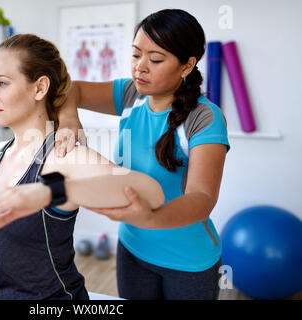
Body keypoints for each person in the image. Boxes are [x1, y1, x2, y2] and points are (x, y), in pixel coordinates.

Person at [0, 34, 164, 300]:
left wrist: (50, 191)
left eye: (2, 83)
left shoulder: (63, 156)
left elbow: (152, 193)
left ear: (39, 88)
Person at [54, 9, 230, 300]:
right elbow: (71, 89)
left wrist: (148, 216)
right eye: (136, 55)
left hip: (189, 261)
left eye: (156, 59)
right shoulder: (130, 95)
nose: (140, 68)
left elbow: (202, 198)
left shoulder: (204, 117)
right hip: (132, 250)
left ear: (187, 66)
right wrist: (70, 118)